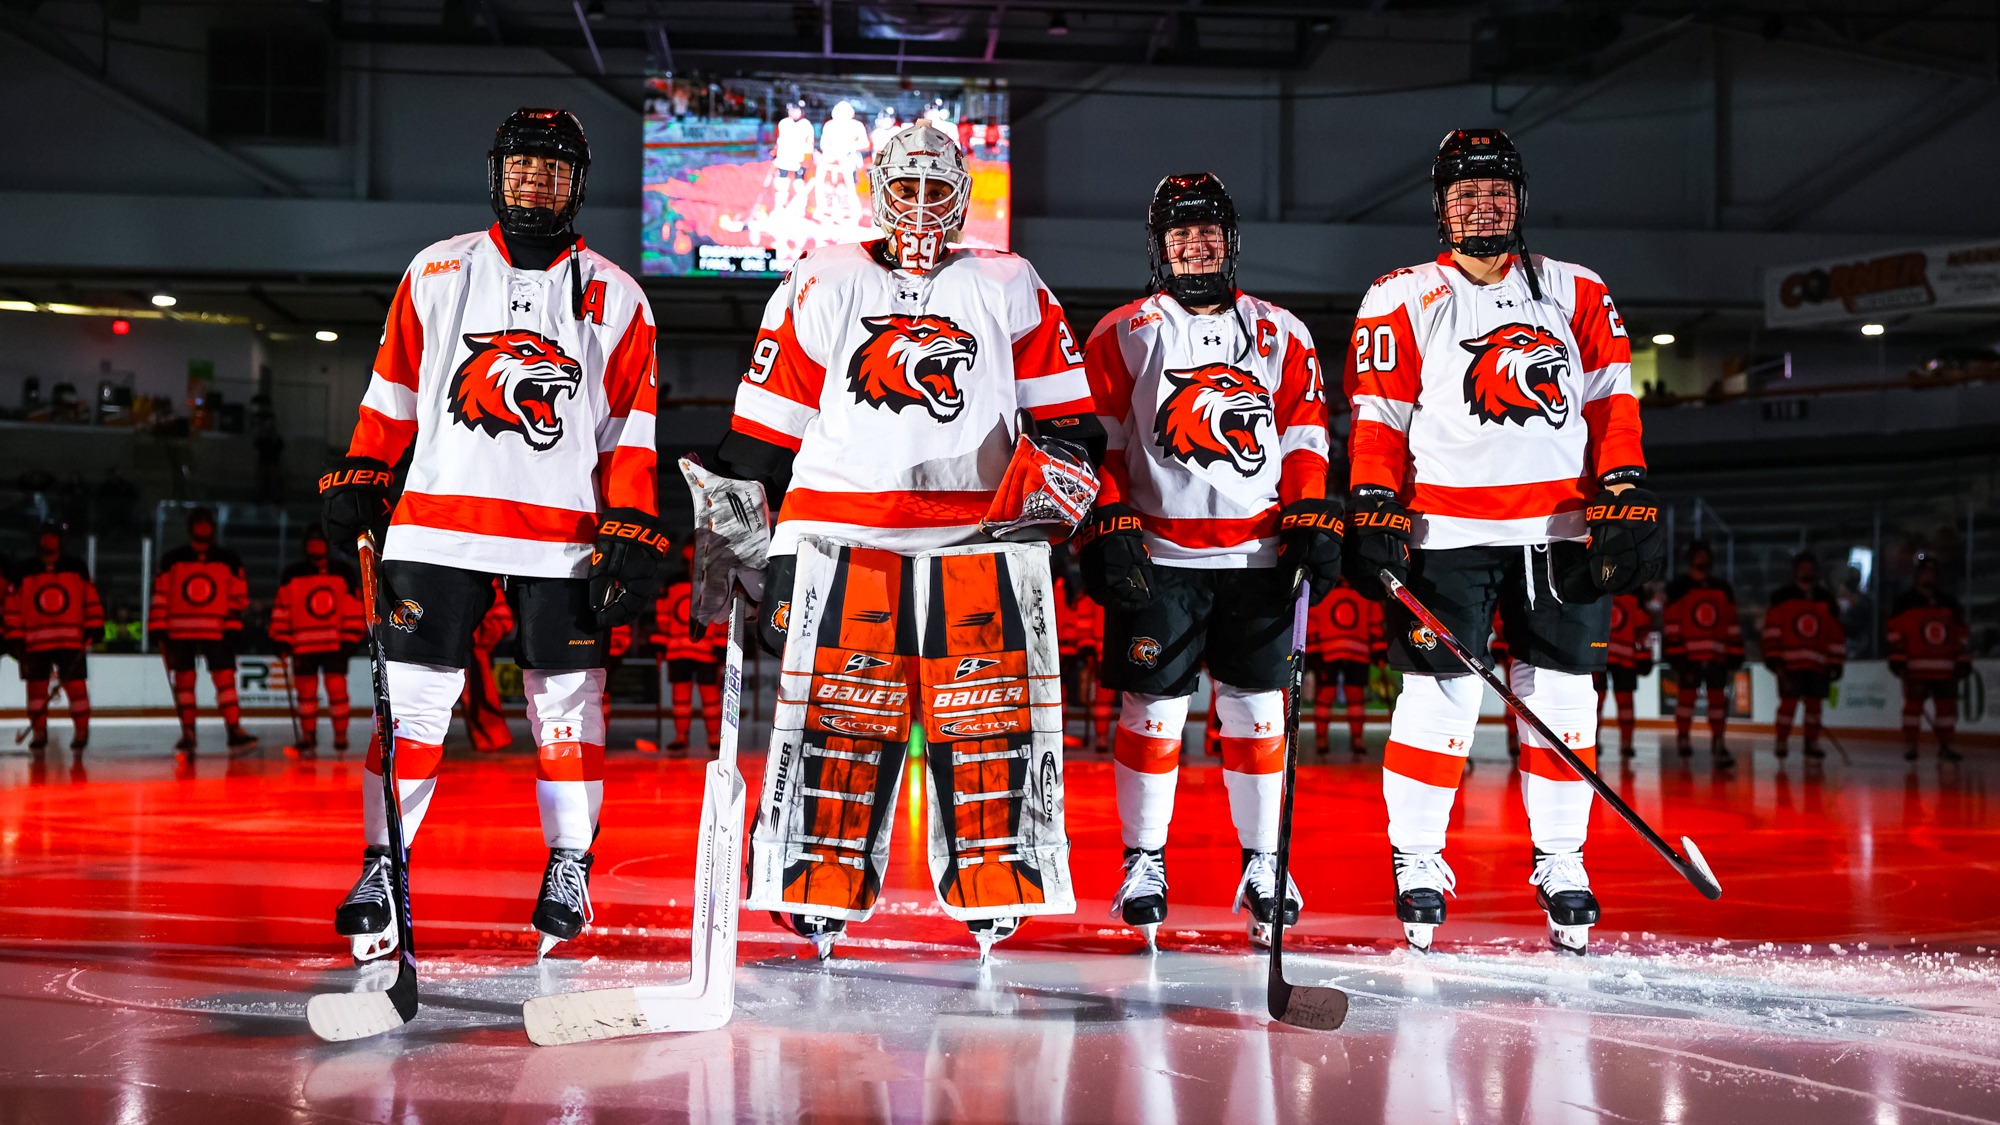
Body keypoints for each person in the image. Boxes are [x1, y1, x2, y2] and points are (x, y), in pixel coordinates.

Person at [704, 123, 1101, 960]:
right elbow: (762, 432)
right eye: (906, 187)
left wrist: (1064, 484)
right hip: (837, 534)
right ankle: (816, 881)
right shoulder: (822, 274)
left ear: (962, 196)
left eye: (936, 188)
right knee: (839, 719)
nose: (920, 205)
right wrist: (745, 545)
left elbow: (1069, 421)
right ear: (878, 192)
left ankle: (998, 878)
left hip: (978, 538)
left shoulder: (1010, 280)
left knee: (990, 721)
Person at [317, 108, 662, 962]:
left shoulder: (619, 294)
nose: (534, 182)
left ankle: (570, 862)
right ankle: (382, 866)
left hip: (563, 534)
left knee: (567, 708)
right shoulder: (437, 269)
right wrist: (364, 467)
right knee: (411, 706)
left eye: (552, 169)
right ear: (496, 174)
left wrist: (631, 519)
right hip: (436, 524)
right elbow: (392, 391)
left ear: (576, 185)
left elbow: (630, 428)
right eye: (521, 167)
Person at [1341, 128, 1663, 955]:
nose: (1483, 205)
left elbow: (1611, 398)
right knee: (1438, 698)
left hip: (1561, 533)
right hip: (1443, 534)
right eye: (1466, 193)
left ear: (1519, 200)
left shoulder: (1578, 288)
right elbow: (1379, 414)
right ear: (1441, 206)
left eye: (1497, 191)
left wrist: (1624, 488)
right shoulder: (1402, 294)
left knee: (1565, 696)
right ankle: (1418, 855)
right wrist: (1373, 500)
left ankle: (1562, 860)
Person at [1080, 172, 1339, 949]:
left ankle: (1265, 864)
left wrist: (1311, 510)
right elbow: (1100, 443)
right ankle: (1143, 860)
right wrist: (1109, 519)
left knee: (1258, 713)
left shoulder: (1281, 331)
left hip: (1259, 556)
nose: (1196, 246)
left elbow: (1305, 432)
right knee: (1152, 712)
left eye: (1208, 232)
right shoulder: (1123, 332)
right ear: (1158, 246)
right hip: (1159, 558)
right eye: (1181, 234)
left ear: (1231, 241)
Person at [152, 508, 255, 755]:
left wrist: (232, 626)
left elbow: (238, 597)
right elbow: (161, 595)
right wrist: (157, 626)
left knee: (225, 680)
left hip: (217, 629)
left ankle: (234, 729)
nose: (203, 528)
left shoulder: (228, 559)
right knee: (184, 682)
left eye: (206, 524)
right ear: (191, 528)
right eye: (198, 524)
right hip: (180, 631)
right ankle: (188, 731)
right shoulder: (172, 560)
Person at [6, 524, 103, 754]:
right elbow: (13, 606)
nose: (49, 542)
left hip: (70, 640)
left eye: (53, 537)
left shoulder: (76, 567)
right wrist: (15, 636)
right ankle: (39, 733)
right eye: (45, 537)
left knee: (77, 690)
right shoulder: (24, 570)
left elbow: (89, 598)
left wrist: (94, 626)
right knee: (36, 692)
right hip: (35, 641)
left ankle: (81, 731)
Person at [269, 527, 365, 758]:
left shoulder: (342, 572)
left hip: (334, 643)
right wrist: (281, 639)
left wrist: (351, 638)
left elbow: (353, 607)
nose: (315, 547)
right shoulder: (293, 574)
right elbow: (283, 608)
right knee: (306, 693)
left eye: (319, 542)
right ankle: (308, 737)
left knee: (337, 690)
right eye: (311, 543)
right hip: (302, 644)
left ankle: (340, 736)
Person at [1661, 540, 1743, 765]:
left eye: (1705, 556)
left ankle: (1719, 741)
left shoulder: (1722, 588)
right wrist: (1676, 652)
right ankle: (1683, 739)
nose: (1702, 560)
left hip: (1717, 655)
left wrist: (1735, 651)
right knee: (1686, 700)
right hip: (1688, 655)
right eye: (1698, 556)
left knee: (1718, 701)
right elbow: (1671, 622)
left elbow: (1731, 622)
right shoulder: (1678, 587)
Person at [1885, 554, 1971, 762]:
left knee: (1946, 710)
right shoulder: (1904, 602)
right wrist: (1897, 656)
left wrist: (1963, 658)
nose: (1928, 576)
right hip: (1915, 668)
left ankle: (1946, 745)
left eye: (1931, 573)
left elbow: (1961, 635)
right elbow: (1895, 632)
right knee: (1912, 709)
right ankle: (1911, 744)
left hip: (1945, 668)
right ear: (1917, 576)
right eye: (1924, 573)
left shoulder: (1949, 603)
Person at [1763, 551, 1846, 761]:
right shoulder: (1782, 597)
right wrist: (1773, 657)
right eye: (1803, 568)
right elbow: (1773, 629)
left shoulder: (1826, 600)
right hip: (1790, 663)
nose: (1806, 571)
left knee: (1814, 706)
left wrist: (1836, 661)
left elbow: (1835, 635)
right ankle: (1781, 740)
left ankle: (1812, 742)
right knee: (1788, 704)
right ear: (1795, 571)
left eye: (1810, 568)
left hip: (1818, 664)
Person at [651, 556, 722, 754]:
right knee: (680, 697)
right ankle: (681, 736)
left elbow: (722, 617)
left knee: (710, 697)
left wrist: (720, 647)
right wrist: (660, 646)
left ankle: (714, 737)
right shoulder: (673, 584)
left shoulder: (715, 584)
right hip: (678, 650)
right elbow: (663, 616)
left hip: (706, 651)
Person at [1307, 574, 1385, 755]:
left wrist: (1378, 648)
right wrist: (1313, 650)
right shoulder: (1326, 588)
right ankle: (1324, 739)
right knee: (1326, 696)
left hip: (1348, 651)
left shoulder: (1360, 589)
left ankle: (1354, 739)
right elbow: (1312, 618)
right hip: (1335, 651)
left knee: (1352, 697)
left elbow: (1374, 619)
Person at [1054, 571, 1111, 752]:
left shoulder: (1081, 590)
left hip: (1095, 651)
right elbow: (1073, 619)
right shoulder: (1074, 589)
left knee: (1102, 700)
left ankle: (1099, 737)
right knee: (1095, 699)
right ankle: (1062, 735)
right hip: (1087, 652)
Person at [1595, 591, 1655, 757]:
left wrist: (1643, 655)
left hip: (1605, 654)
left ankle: (1625, 743)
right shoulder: (1633, 587)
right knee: (1598, 701)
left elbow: (1642, 628)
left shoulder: (1633, 591)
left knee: (1622, 701)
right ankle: (1602, 742)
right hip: (1608, 655)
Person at [459, 580, 516, 753]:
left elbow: (500, 615)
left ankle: (491, 738)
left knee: (478, 690)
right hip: (461, 636)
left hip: (471, 641)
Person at [772, 101, 815, 211]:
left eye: (796, 110)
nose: (794, 112)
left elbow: (809, 144)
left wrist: (806, 161)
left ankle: (800, 209)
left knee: (799, 184)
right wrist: (775, 153)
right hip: (784, 158)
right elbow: (780, 140)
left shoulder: (806, 125)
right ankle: (779, 206)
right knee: (781, 183)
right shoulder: (784, 123)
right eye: (792, 110)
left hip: (799, 160)